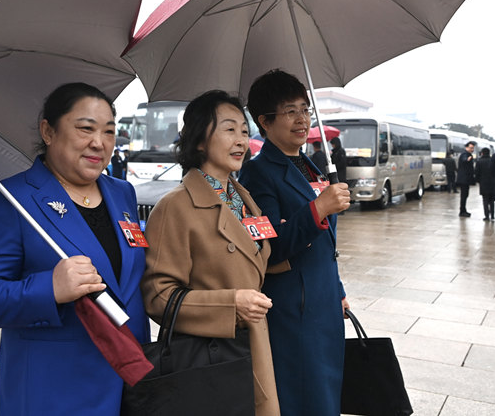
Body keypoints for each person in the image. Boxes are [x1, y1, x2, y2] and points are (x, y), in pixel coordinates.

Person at [0, 83, 150, 415]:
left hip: (131, 381)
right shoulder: (10, 200)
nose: (98, 143)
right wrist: (50, 288)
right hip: (55, 390)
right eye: (85, 129)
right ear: (48, 130)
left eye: (108, 131)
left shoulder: (123, 193)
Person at [140, 90, 279, 416]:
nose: (241, 140)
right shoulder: (174, 206)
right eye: (229, 129)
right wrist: (231, 304)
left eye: (244, 131)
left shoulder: (244, 199)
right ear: (199, 139)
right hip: (210, 358)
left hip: (252, 345)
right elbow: (158, 296)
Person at [239, 69, 351, 415]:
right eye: (291, 111)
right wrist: (318, 208)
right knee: (304, 395)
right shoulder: (258, 173)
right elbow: (268, 244)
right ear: (264, 121)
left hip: (324, 299)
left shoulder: (310, 165)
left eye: (305, 109)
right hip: (294, 308)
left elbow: (324, 243)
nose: (302, 119)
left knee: (327, 391)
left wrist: (339, 289)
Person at [455, 141, 476, 216]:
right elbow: (464, 160)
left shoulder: (468, 154)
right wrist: (468, 159)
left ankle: (463, 210)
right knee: (464, 195)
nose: (472, 149)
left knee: (465, 195)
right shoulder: (465, 154)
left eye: (473, 148)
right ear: (466, 147)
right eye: (471, 148)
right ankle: (462, 211)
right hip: (464, 179)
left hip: (466, 179)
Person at [473, 147, 495, 221]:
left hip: (483, 183)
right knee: (492, 200)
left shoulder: (479, 161)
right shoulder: (492, 161)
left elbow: (476, 173)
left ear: (482, 153)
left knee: (485, 200)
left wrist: (478, 181)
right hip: (492, 183)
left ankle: (486, 216)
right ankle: (492, 215)